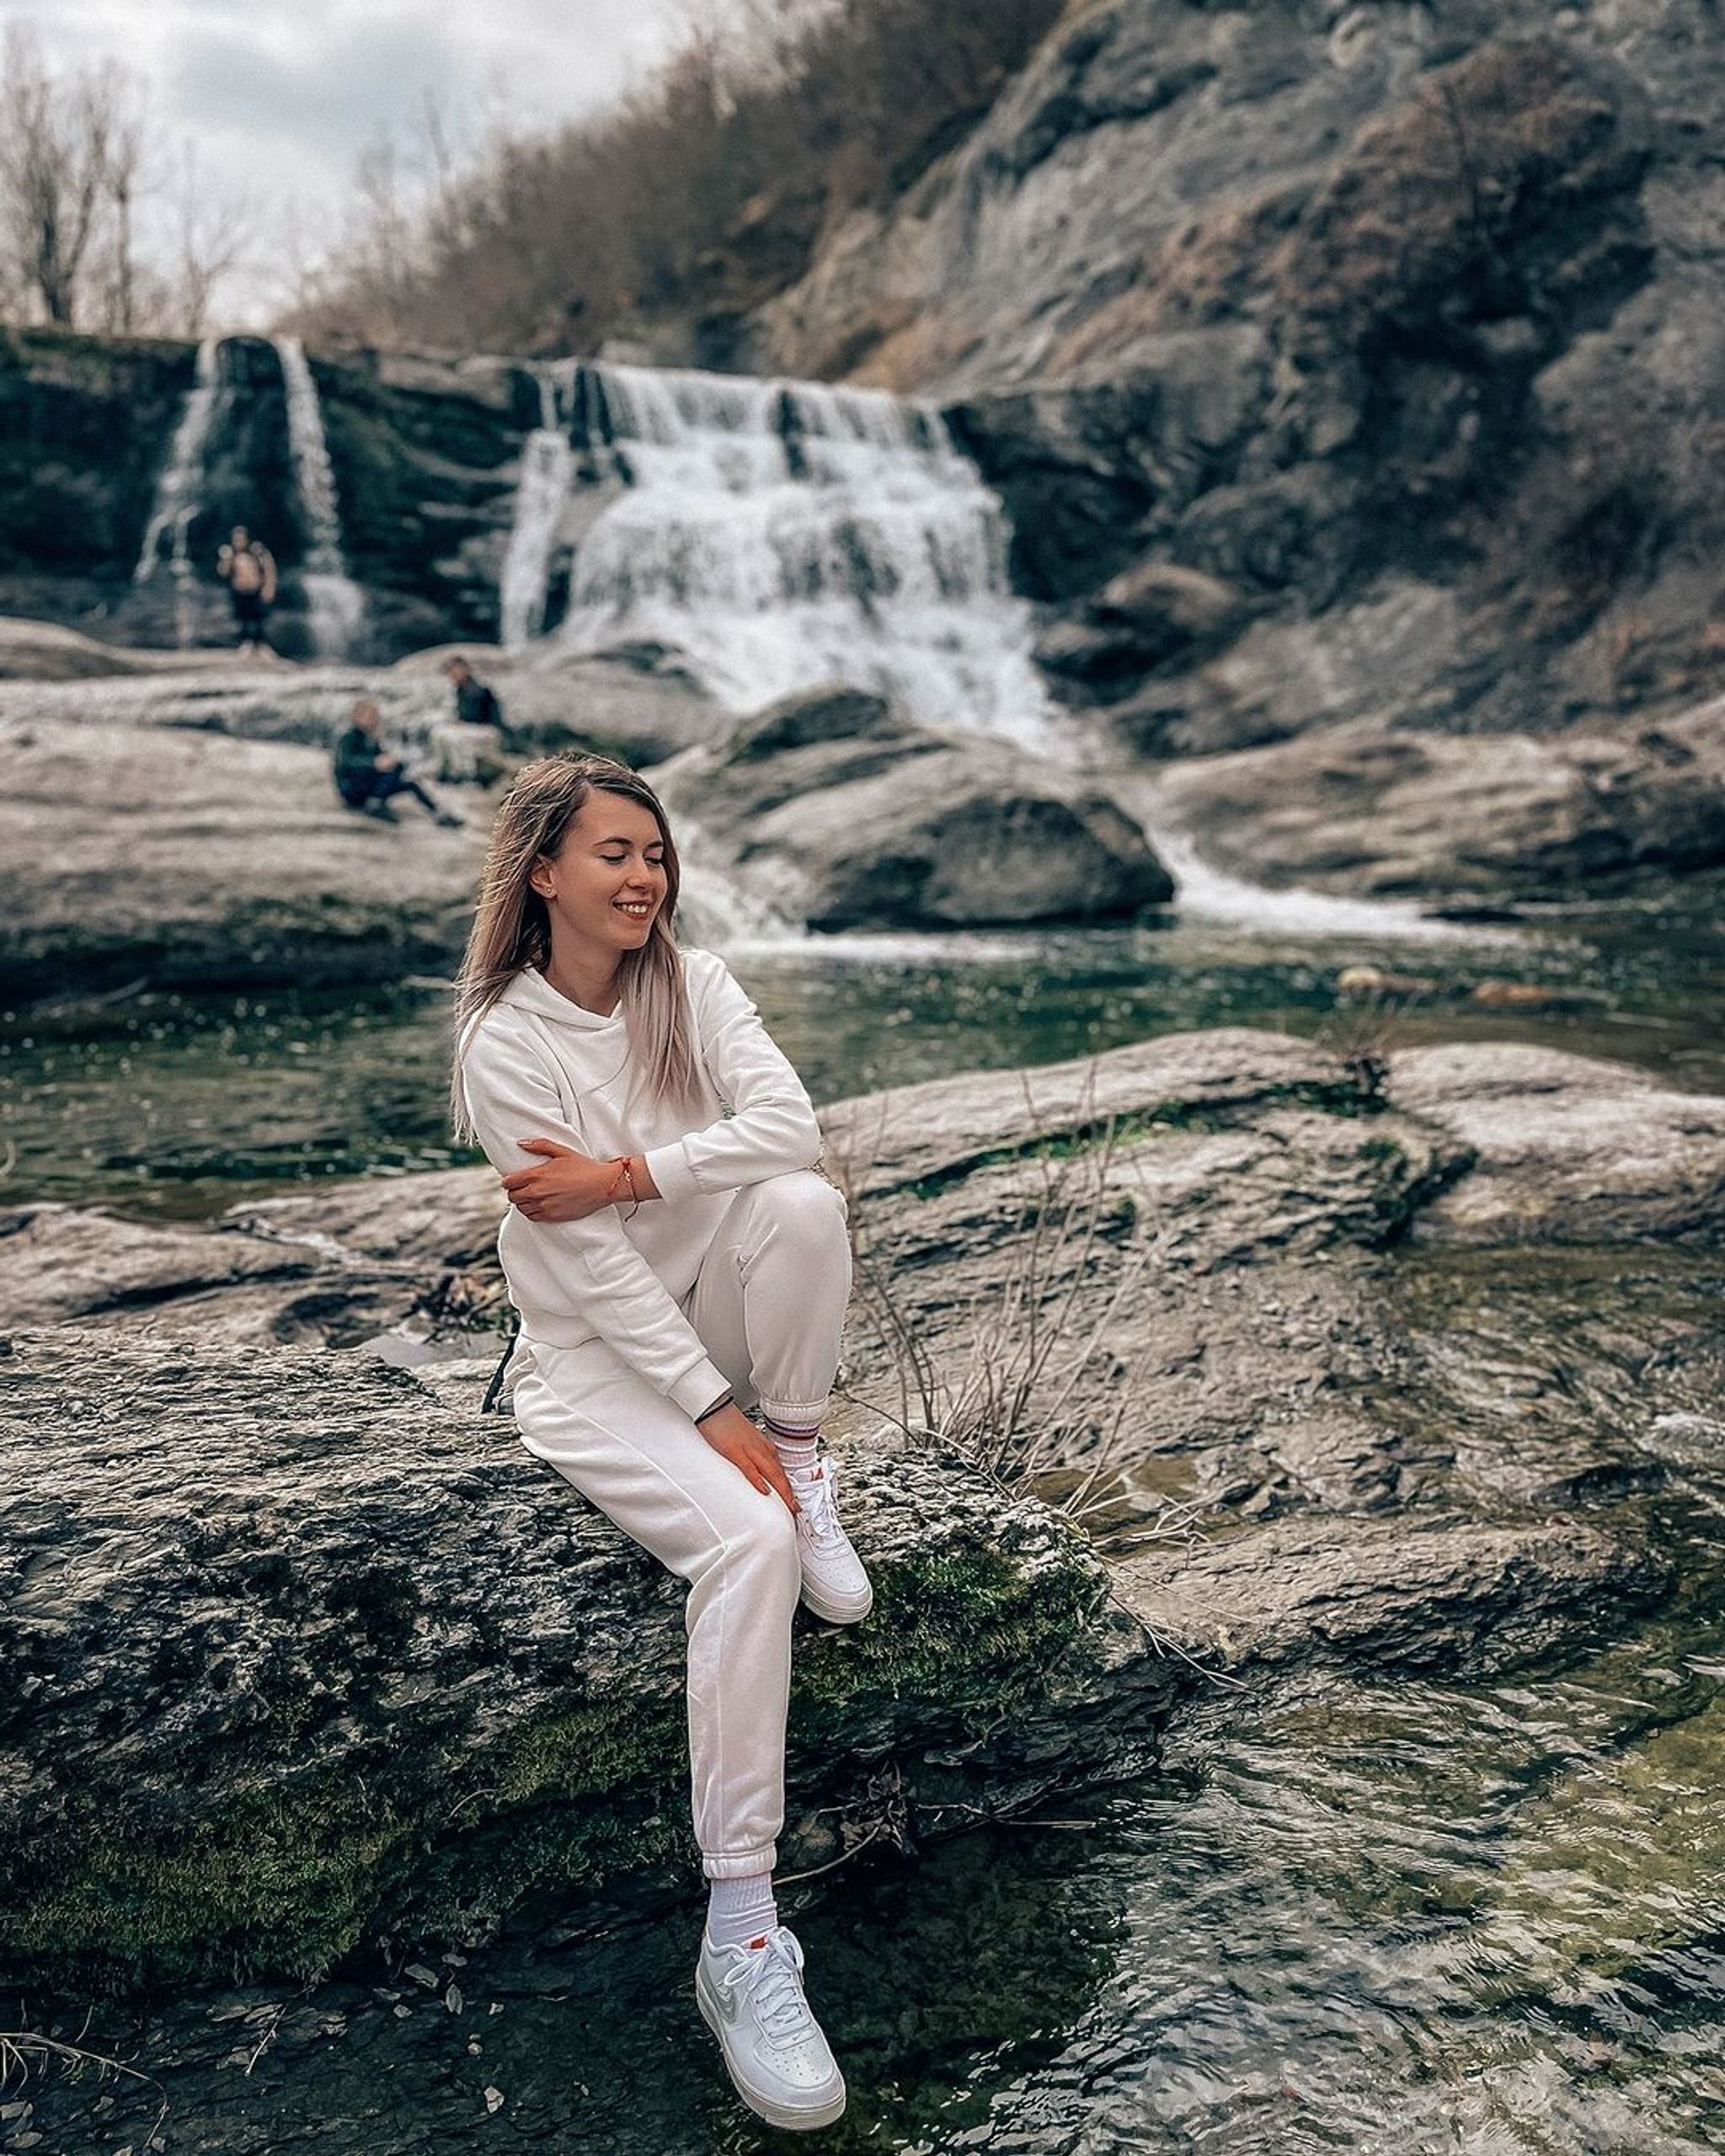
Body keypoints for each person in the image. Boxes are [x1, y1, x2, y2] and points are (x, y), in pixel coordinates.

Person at [451, 752, 869, 2134]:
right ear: (543, 873)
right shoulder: (504, 1042)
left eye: (655, 852)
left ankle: (805, 1457)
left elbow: (790, 1129)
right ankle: (740, 1933)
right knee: (746, 1549)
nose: (644, 877)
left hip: (714, 1322)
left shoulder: (694, 985)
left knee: (800, 1205)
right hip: (594, 1367)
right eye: (614, 853)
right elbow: (589, 1268)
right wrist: (704, 1407)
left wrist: (633, 1173)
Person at [332, 699, 462, 826]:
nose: (373, 720)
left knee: (409, 780)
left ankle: (438, 812)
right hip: (352, 789)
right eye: (369, 716)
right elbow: (344, 763)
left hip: (367, 784)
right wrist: (374, 763)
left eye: (374, 716)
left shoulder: (369, 737)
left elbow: (382, 759)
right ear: (356, 716)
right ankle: (375, 803)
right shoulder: (347, 736)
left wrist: (384, 754)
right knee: (393, 768)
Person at [216, 526, 277, 655]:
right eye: (236, 540)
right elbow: (223, 573)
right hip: (240, 591)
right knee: (244, 618)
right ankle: (247, 642)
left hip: (256, 589)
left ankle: (261, 644)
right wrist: (225, 559)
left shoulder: (257, 552)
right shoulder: (231, 555)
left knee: (259, 618)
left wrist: (269, 587)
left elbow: (269, 569)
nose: (238, 542)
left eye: (241, 539)